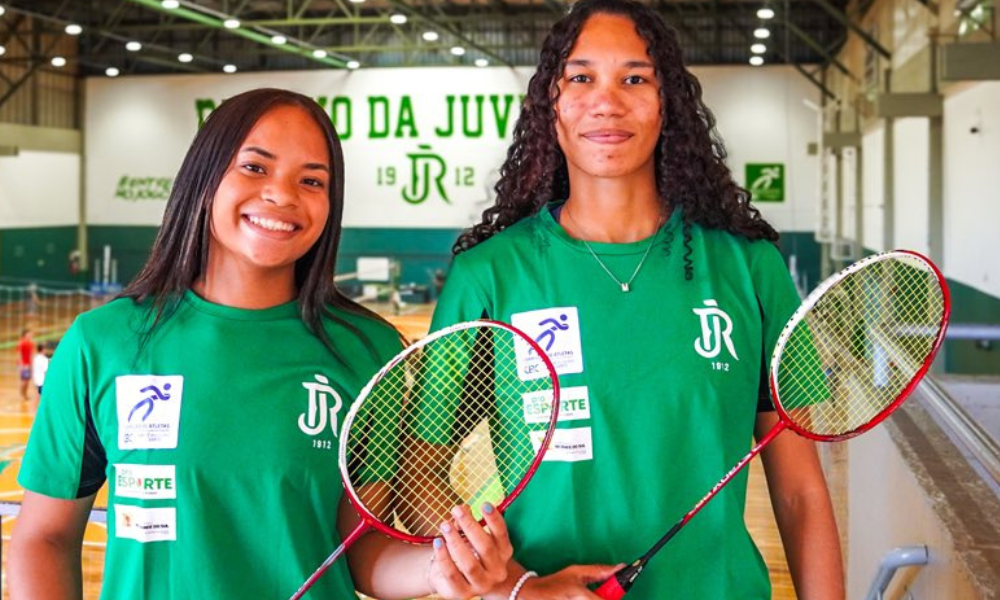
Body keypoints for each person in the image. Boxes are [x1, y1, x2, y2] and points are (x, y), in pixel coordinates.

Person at [11, 88, 513, 600]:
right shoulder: (103, 344)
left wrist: (438, 570)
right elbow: (45, 537)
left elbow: (357, 550)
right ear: (204, 177)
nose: (282, 195)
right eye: (255, 167)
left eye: (311, 180)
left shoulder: (368, 351)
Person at [429, 1, 845, 598]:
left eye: (635, 78)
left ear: (666, 102)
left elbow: (802, 491)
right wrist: (507, 582)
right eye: (580, 77)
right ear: (550, 104)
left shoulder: (751, 269)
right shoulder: (488, 276)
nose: (607, 100)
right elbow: (422, 461)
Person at [16, 328, 33, 401]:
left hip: (28, 364)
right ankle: (21, 394)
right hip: (23, 365)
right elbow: (19, 354)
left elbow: (31, 354)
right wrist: (22, 365)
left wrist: (31, 365)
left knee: (28, 381)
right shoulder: (21, 343)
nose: (30, 335)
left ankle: (25, 394)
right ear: (24, 335)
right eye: (28, 334)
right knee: (24, 381)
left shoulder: (31, 343)